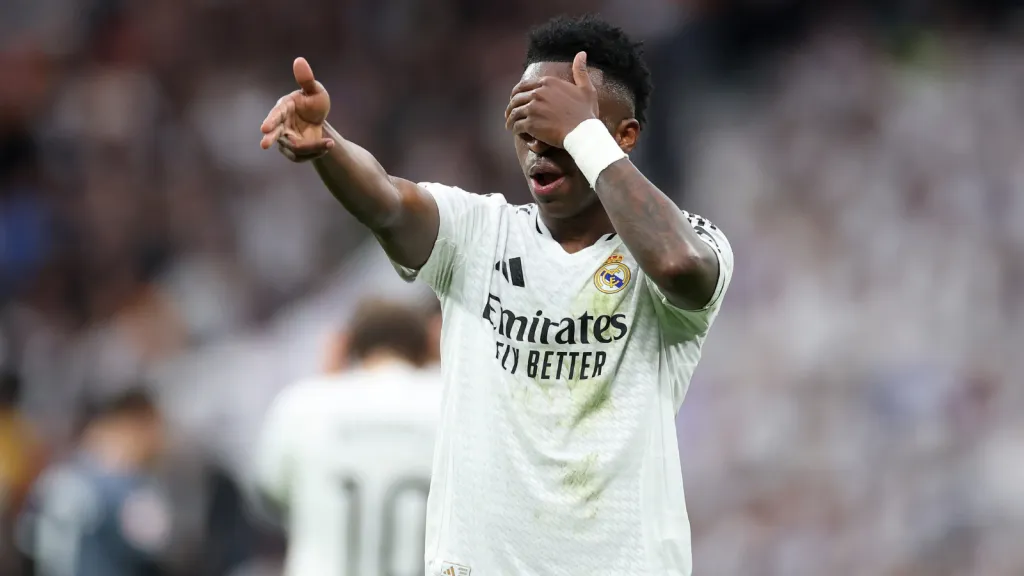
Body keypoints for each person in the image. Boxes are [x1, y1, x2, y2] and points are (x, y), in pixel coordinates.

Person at [259, 13, 734, 576]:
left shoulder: (686, 242)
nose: (538, 143)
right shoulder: (478, 232)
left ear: (623, 135)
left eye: (558, 125)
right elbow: (388, 200)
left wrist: (583, 136)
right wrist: (328, 146)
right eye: (525, 121)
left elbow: (681, 267)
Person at [253, 299, 442, 576]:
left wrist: (328, 378)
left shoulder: (304, 404)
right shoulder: (449, 405)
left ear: (346, 344)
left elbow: (271, 494)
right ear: (428, 345)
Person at [18, 388, 172, 576]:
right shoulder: (124, 490)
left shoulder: (54, 477)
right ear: (135, 425)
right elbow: (157, 544)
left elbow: (26, 539)